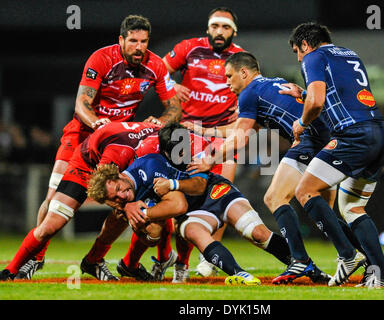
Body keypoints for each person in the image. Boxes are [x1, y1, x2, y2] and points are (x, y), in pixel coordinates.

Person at [16, 14, 182, 280]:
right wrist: (96, 123)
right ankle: (34, 258)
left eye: (144, 41)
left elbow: (175, 107)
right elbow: (81, 104)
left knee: (126, 202)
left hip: (119, 143)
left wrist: (161, 121)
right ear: (121, 40)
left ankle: (96, 259)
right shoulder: (101, 59)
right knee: (54, 198)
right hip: (81, 134)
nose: (139, 46)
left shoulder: (156, 66)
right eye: (133, 41)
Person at [188, 51, 368, 284]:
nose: (227, 83)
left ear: (244, 72)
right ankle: (369, 259)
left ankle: (305, 260)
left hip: (309, 139)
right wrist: (206, 131)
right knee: (323, 209)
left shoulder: (250, 93)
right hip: (327, 138)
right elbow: (244, 131)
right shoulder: (272, 85)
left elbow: (239, 138)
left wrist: (210, 159)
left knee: (274, 198)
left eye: (229, 76)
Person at [87, 124, 294, 286]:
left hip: (213, 191)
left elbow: (195, 188)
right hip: (192, 208)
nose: (122, 196)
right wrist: (129, 208)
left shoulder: (194, 149)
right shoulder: (140, 161)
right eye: (115, 199)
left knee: (256, 232)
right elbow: (176, 206)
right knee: (176, 230)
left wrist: (164, 192)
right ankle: (230, 272)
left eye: (120, 192)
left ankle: (303, 263)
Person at [282, 22, 384, 288]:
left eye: (297, 51)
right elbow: (340, 95)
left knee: (305, 191)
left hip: (352, 135)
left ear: (306, 44)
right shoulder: (349, 54)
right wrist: (303, 94)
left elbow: (318, 102)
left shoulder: (313, 56)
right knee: (352, 208)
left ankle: (347, 254)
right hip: (378, 133)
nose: (299, 58)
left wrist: (302, 122)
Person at [0, 122, 162, 281]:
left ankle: (97, 261)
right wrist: (126, 206)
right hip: (86, 165)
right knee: (51, 225)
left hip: (116, 169)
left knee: (144, 214)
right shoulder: (121, 152)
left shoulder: (160, 141)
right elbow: (103, 184)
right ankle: (11, 270)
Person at [161, 7, 244, 276]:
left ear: (233, 31)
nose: (220, 32)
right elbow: (157, 71)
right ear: (208, 28)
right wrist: (172, 85)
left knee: (222, 195)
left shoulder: (241, 57)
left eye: (226, 27)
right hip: (189, 133)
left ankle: (210, 257)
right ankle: (181, 263)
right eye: (215, 26)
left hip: (223, 133)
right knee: (183, 199)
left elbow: (253, 88)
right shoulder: (189, 48)